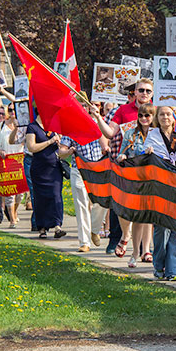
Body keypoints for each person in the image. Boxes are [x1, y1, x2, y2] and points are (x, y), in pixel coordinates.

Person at [144, 106, 176, 281]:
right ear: (157, 117)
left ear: (174, 116)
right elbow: (146, 154)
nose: (165, 117)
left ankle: (172, 271)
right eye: (162, 114)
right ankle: (159, 266)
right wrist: (148, 153)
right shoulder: (153, 135)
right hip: (160, 187)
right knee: (162, 228)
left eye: (168, 114)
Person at [59, 100, 107, 253]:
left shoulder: (98, 122)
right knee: (81, 203)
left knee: (103, 202)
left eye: (85, 105)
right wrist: (70, 151)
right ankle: (84, 241)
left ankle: (94, 228)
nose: (83, 109)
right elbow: (61, 152)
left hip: (98, 167)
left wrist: (97, 119)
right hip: (79, 169)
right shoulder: (71, 127)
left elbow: (105, 144)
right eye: (79, 106)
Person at [114, 103, 156, 266]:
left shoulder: (157, 134)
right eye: (141, 115)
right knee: (137, 216)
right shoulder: (131, 133)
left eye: (147, 115)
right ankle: (135, 252)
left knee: (148, 216)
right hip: (135, 179)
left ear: (153, 117)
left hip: (152, 179)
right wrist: (122, 157)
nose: (144, 118)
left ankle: (146, 250)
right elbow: (122, 152)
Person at [25, 110, 66, 240]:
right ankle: (42, 227)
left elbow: (59, 148)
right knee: (40, 198)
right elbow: (31, 147)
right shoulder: (32, 127)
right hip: (39, 169)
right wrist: (49, 142)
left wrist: (63, 146)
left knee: (56, 195)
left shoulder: (52, 127)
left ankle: (57, 226)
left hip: (53, 168)